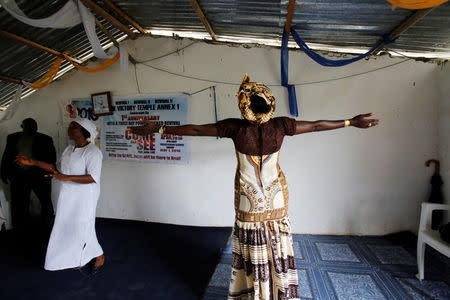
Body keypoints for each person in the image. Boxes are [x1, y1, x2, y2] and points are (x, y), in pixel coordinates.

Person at [131, 74, 379, 299]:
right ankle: (279, 292)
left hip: (249, 202)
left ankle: (255, 293)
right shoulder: (280, 126)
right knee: (278, 248)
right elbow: (315, 125)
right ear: (269, 103)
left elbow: (196, 129)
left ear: (243, 106)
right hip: (275, 200)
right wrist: (350, 122)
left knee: (252, 251)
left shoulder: (236, 128)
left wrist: (160, 129)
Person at [15, 118, 105, 273]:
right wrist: (32, 161)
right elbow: (55, 167)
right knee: (67, 224)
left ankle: (98, 255)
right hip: (69, 195)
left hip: (85, 196)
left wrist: (67, 177)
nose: (69, 128)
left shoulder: (93, 152)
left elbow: (93, 177)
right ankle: (79, 255)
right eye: (70, 125)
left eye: (74, 126)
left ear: (84, 131)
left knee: (83, 226)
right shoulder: (69, 149)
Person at [1, 118, 56, 230]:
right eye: (27, 125)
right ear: (22, 126)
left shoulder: (46, 139)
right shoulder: (12, 138)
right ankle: (19, 227)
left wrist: (49, 172)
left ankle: (47, 227)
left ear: (36, 127)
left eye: (33, 126)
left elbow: (52, 159)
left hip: (39, 176)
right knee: (19, 203)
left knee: (45, 202)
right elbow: (6, 156)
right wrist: (4, 173)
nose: (31, 128)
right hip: (19, 176)